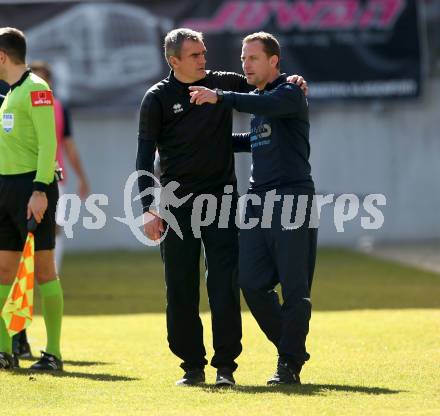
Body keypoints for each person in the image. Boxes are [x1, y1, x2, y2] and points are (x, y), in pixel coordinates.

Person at [136, 28, 308, 386]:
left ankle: (225, 367)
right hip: (174, 204)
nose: (203, 59)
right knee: (180, 285)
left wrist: (292, 79)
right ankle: (191, 366)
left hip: (222, 199)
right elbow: (143, 156)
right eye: (195, 55)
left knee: (224, 283)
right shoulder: (157, 98)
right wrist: (149, 207)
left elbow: (267, 91)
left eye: (204, 52)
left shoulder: (222, 84)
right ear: (174, 61)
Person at [189, 31, 318, 385]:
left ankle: (288, 363)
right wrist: (208, 143)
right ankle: (292, 348)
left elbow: (267, 106)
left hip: (292, 198)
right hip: (258, 202)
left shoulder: (289, 93)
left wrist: (221, 97)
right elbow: (255, 139)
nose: (245, 64)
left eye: (253, 58)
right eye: (243, 58)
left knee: (294, 287)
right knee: (249, 281)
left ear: (274, 61)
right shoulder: (262, 99)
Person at [0, 27, 64, 371]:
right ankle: (3, 350)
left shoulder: (37, 89)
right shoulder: (10, 94)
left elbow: (48, 144)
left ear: (2, 56)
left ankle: (53, 353)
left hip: (32, 189)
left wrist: (40, 191)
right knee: (3, 271)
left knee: (43, 272)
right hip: (6, 189)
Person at [30, 61, 90, 272]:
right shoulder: (18, 105)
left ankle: (51, 274)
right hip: (24, 177)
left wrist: (82, 177)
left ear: (50, 81)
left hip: (56, 178)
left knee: (55, 228)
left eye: (43, 78)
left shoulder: (58, 108)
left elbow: (69, 145)